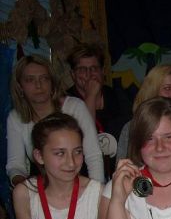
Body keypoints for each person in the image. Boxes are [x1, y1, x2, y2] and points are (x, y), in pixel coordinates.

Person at [7, 55, 104, 186]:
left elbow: (94, 156)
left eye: (44, 78)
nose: (38, 85)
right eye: (30, 80)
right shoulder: (15, 118)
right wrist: (27, 189)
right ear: (20, 87)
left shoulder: (74, 107)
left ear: (52, 83)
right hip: (42, 187)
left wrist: (97, 193)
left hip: (81, 183)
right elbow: (15, 165)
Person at [66, 42, 131, 175]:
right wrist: (91, 96)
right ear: (73, 74)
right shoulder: (66, 101)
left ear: (102, 71)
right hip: (82, 172)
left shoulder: (118, 96)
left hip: (118, 169)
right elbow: (82, 136)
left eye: (94, 68)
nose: (89, 74)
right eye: (82, 69)